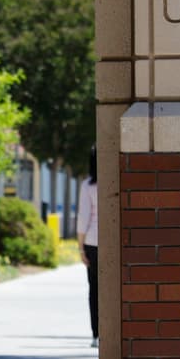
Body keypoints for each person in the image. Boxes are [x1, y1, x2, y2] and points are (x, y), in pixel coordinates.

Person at [75, 145, 99, 347]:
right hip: (112, 243)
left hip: (92, 242)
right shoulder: (116, 181)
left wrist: (81, 248)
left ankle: (96, 334)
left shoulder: (88, 186)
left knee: (94, 289)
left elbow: (83, 218)